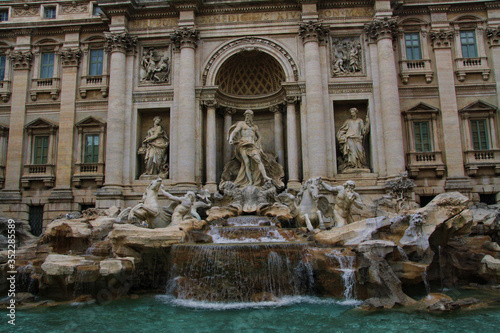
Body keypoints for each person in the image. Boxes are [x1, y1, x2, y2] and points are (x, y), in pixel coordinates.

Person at [228, 110, 273, 186]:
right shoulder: (241, 124)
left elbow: (259, 137)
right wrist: (230, 138)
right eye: (246, 115)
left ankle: (265, 176)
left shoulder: (255, 127)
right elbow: (235, 131)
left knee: (258, 160)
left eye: (249, 115)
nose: (248, 117)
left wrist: (258, 143)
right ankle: (250, 181)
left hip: (252, 145)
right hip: (243, 145)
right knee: (247, 163)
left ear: (252, 117)